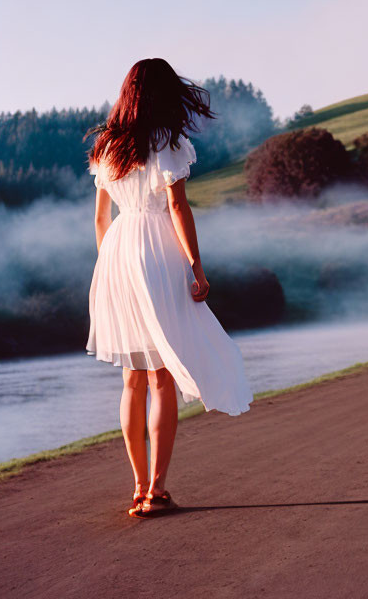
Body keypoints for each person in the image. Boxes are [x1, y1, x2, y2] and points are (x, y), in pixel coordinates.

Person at [87, 58, 253, 518]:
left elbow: (101, 219)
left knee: (131, 378)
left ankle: (138, 487)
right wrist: (197, 268)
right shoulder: (168, 143)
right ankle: (157, 490)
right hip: (157, 251)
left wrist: (110, 265)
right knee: (161, 375)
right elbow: (178, 209)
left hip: (117, 252)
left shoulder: (107, 146)